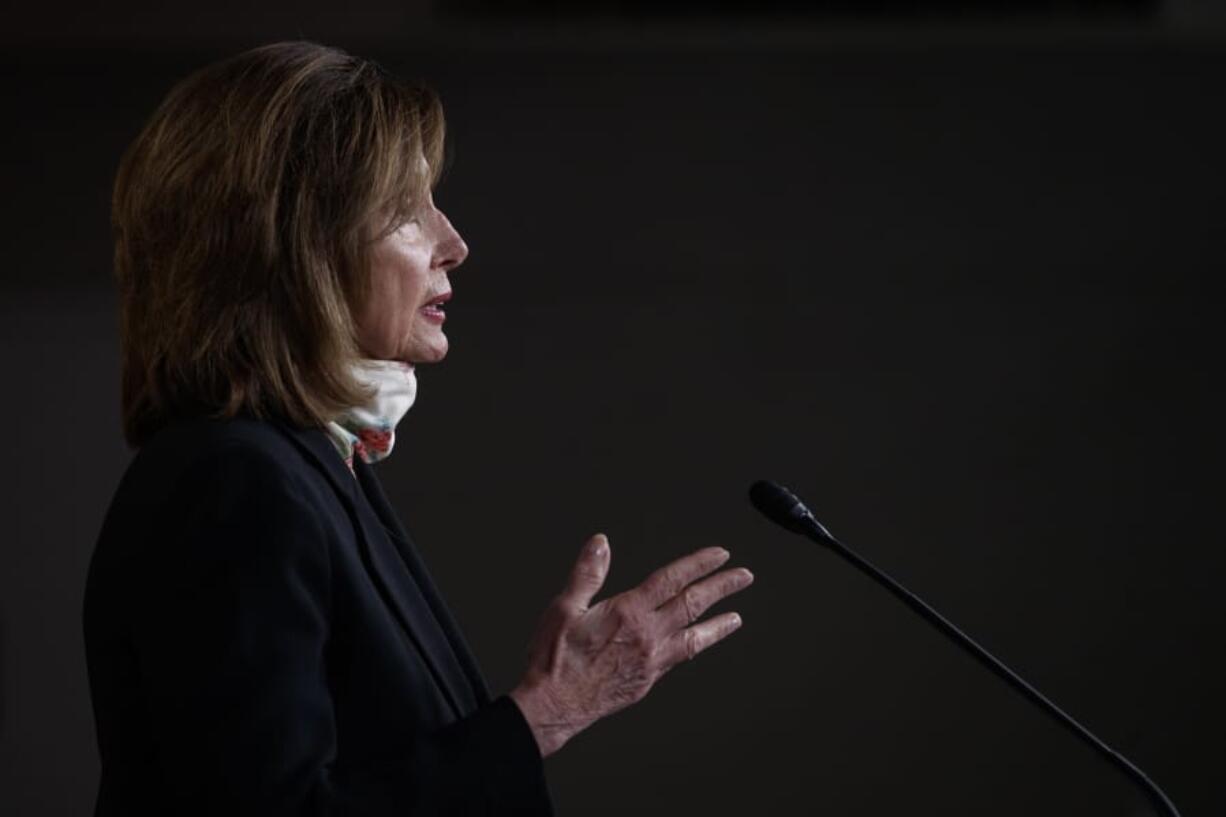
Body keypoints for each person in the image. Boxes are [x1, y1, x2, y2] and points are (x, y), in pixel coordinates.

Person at [83, 40, 754, 816]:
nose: (453, 244)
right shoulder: (233, 480)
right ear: (300, 248)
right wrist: (551, 708)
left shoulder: (310, 466)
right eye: (407, 209)